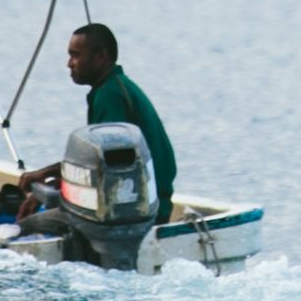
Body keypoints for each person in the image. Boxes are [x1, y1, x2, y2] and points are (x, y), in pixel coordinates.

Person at [10, 23, 177, 221]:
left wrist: (44, 174)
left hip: (141, 209)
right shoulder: (114, 86)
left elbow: (104, 164)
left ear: (100, 57)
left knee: (28, 225)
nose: (69, 63)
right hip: (148, 200)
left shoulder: (109, 95)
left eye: (76, 55)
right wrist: (56, 182)